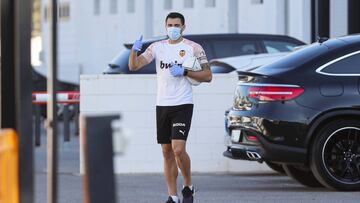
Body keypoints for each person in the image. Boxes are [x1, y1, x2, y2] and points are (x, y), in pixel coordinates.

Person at [128, 12, 212, 203]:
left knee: (178, 149)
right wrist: (134, 51)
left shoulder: (193, 48)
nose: (172, 28)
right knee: (166, 152)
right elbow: (134, 66)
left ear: (183, 27)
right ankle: (172, 196)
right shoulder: (157, 47)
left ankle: (188, 187)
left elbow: (207, 75)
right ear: (165, 26)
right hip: (162, 104)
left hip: (183, 103)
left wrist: (185, 71)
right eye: (169, 25)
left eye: (176, 25)